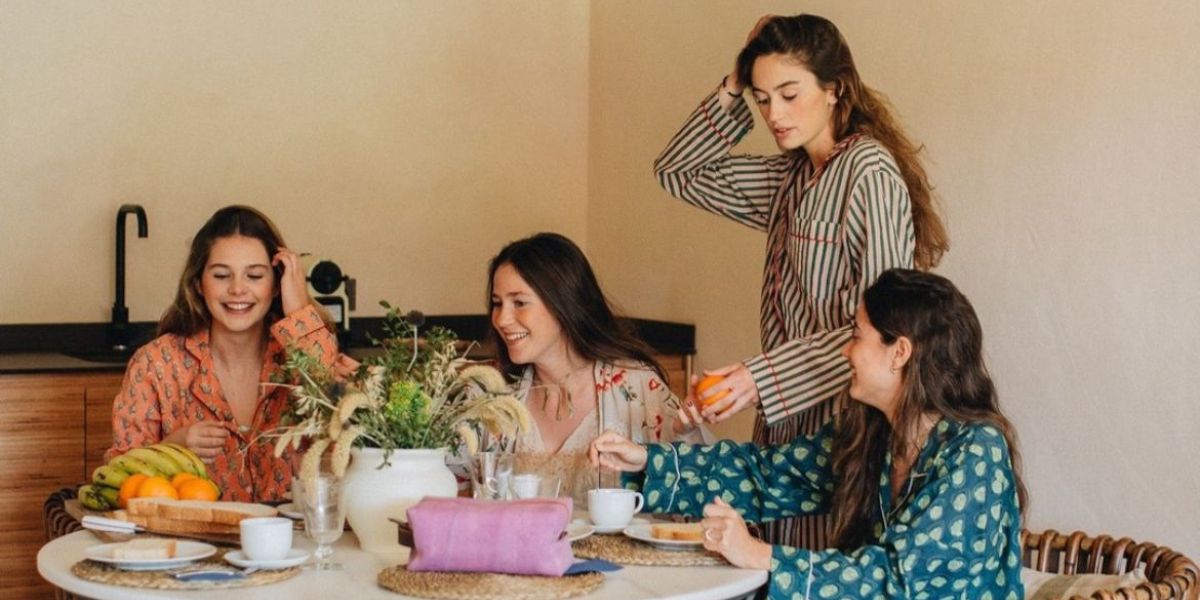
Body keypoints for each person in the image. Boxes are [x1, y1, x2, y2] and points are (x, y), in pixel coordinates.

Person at [652, 13, 950, 549]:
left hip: (843, 426)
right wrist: (735, 81)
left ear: (835, 89)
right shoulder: (789, 176)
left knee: (815, 573)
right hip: (781, 425)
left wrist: (757, 379)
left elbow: (887, 330)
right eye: (763, 99)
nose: (774, 114)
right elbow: (678, 173)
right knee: (766, 565)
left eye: (790, 94)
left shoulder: (869, 174)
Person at [591, 269, 1027, 599]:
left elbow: (898, 581)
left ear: (899, 353)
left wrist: (762, 555)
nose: (846, 351)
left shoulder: (976, 451)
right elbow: (767, 475)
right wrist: (648, 460)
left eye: (856, 336)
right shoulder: (871, 435)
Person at [106, 205, 349, 502]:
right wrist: (173, 447)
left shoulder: (304, 351)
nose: (237, 289)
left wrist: (299, 310)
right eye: (222, 275)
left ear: (276, 285)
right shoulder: (154, 364)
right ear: (198, 284)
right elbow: (117, 481)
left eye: (255, 276)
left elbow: (336, 409)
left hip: (295, 533)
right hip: (192, 534)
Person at [487, 232, 709, 504]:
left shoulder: (636, 386)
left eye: (519, 303)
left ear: (563, 302)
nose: (502, 319)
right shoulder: (496, 398)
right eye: (497, 303)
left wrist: (688, 431)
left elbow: (701, 485)